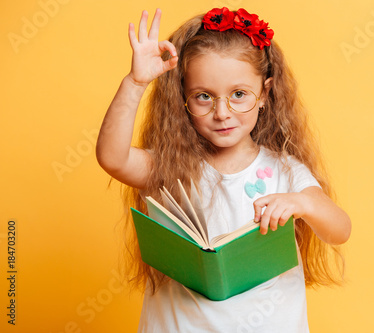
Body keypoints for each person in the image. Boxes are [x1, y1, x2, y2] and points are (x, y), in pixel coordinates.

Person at [96, 7, 351, 332]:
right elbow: (112, 158)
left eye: (239, 95)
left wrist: (304, 203)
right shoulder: (171, 166)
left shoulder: (284, 170)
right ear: (183, 99)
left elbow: (339, 230)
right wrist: (135, 83)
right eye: (204, 96)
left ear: (265, 93)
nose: (222, 112)